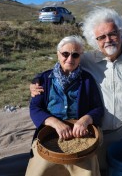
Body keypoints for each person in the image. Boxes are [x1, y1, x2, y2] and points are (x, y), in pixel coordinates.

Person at [31, 7, 122, 175]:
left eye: (112, 33)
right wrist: (36, 81)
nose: (108, 40)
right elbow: (63, 66)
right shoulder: (86, 59)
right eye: (101, 37)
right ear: (95, 41)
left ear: (121, 32)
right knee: (100, 166)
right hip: (100, 125)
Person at [25, 35, 104, 176]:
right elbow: (35, 108)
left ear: (80, 57)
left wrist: (85, 120)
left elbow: (97, 108)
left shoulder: (87, 80)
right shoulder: (43, 79)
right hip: (49, 134)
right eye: (65, 54)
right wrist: (54, 122)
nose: (70, 59)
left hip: (80, 134)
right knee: (40, 168)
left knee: (87, 169)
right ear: (58, 54)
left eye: (75, 55)